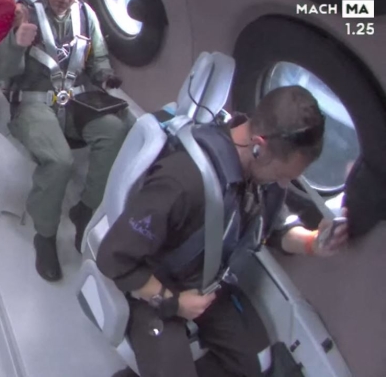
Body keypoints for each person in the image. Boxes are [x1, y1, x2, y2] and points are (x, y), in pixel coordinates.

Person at [97, 86, 350, 377]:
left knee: (256, 364)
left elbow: (272, 230)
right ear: (258, 146)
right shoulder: (181, 181)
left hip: (206, 281)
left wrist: (313, 243)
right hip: (151, 285)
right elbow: (114, 258)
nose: (283, 185)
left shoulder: (262, 181)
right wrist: (173, 301)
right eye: (282, 176)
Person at [0, 0, 129, 281]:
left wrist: (106, 78)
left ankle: (86, 211)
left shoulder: (86, 16)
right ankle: (45, 235)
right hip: (33, 102)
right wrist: (15, 43)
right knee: (60, 161)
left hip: (79, 98)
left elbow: (99, 59)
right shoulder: (24, 14)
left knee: (115, 132)